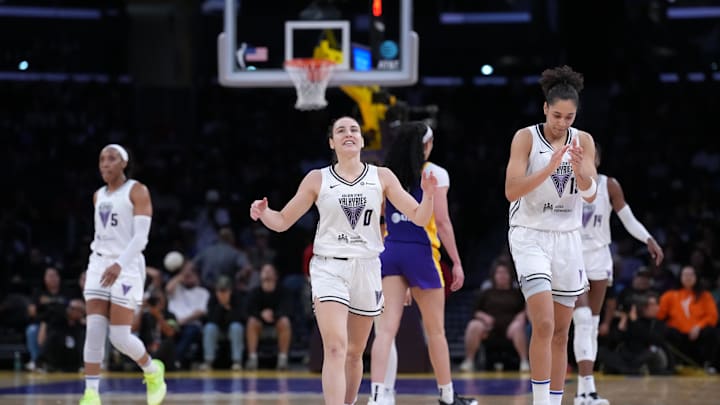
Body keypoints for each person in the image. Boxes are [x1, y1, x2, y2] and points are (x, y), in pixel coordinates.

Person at [249, 116, 437, 405]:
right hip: (329, 266)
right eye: (341, 130)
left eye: (354, 130)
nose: (348, 134)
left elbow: (420, 217)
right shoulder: (317, 178)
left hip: (368, 266)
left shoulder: (382, 176)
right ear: (332, 142)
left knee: (354, 352)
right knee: (335, 348)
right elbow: (283, 221)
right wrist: (263, 213)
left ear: (362, 141)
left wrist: (429, 196)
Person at [504, 65, 598, 405]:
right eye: (557, 115)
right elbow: (512, 191)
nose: (562, 122)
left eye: (569, 117)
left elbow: (589, 194)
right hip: (530, 235)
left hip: (567, 239)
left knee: (561, 331)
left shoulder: (583, 141)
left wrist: (579, 171)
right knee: (542, 324)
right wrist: (548, 166)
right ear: (545, 108)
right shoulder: (525, 137)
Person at [367, 121, 476, 405]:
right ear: (424, 145)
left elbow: (381, 220)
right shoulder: (435, 174)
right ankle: (448, 396)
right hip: (421, 253)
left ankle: (378, 396)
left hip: (390, 251)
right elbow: (441, 221)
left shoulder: (385, 175)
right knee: (436, 331)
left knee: (385, 330)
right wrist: (457, 262)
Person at [573, 142, 664, 405]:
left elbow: (628, 218)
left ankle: (585, 391)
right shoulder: (565, 183)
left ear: (597, 160)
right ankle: (585, 391)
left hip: (600, 256)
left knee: (590, 325)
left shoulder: (609, 185)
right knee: (580, 319)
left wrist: (648, 239)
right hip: (573, 256)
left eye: (592, 156)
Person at [79, 144, 166, 405]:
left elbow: (141, 238)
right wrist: (103, 263)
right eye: (102, 159)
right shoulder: (97, 196)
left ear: (124, 163)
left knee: (119, 337)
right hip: (99, 264)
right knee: (94, 327)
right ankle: (91, 393)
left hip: (126, 267)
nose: (105, 163)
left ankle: (152, 371)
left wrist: (119, 264)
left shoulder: (137, 191)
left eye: (112, 158)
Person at [459, 258, 528, 373]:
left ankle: (524, 361)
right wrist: (483, 317)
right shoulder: (486, 292)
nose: (502, 276)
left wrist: (522, 316)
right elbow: (475, 311)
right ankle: (469, 361)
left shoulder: (517, 293)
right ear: (494, 275)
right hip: (488, 328)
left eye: (505, 273)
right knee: (474, 325)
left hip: (511, 327)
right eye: (499, 273)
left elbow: (525, 308)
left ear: (510, 275)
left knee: (518, 327)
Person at [244, 263, 291, 370]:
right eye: (265, 272)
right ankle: (252, 359)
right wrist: (261, 315)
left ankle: (283, 359)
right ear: (260, 275)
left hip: (277, 324)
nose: (267, 274)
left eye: (270, 272)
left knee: (285, 321)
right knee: (251, 321)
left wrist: (274, 315)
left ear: (275, 276)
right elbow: (248, 311)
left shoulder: (283, 291)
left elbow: (287, 309)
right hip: (259, 325)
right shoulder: (254, 292)